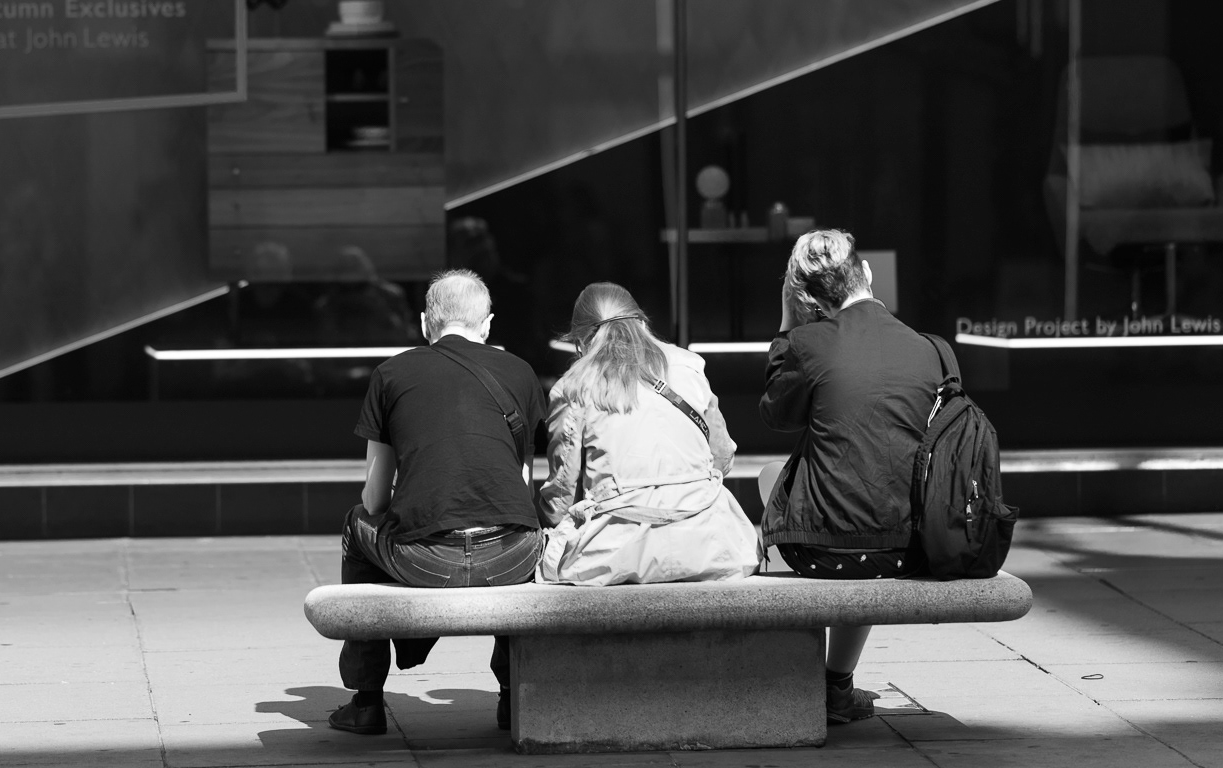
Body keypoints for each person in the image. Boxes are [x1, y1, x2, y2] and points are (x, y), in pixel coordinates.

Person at [329, 269, 546, 736]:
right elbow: (522, 489)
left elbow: (374, 499)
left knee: (355, 524)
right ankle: (513, 695)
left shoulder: (391, 374)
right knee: (523, 528)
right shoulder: (521, 372)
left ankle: (366, 699)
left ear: (426, 322)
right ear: (487, 324)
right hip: (510, 556)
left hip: (425, 559)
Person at [756, 229, 948, 725]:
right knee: (869, 497)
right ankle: (836, 684)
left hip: (823, 551)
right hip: (910, 547)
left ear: (804, 297)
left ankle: (792, 680)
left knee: (775, 475)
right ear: (865, 273)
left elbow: (777, 414)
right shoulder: (932, 349)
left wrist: (787, 325)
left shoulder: (808, 342)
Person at [536, 282, 759, 585]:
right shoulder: (689, 365)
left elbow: (562, 491)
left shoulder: (574, 385)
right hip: (711, 542)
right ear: (641, 322)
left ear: (582, 341)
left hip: (613, 550)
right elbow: (722, 456)